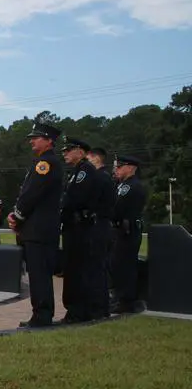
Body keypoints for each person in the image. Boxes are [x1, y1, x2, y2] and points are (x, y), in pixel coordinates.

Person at [7, 122, 64, 328]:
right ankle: (40, 314)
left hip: (39, 228)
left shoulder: (46, 164)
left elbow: (32, 194)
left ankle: (42, 317)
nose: (32, 140)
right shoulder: (42, 162)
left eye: (37, 137)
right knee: (38, 275)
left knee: (40, 275)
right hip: (38, 228)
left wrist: (17, 216)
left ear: (49, 140)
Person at [60, 137, 108, 323]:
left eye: (68, 149)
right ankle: (76, 311)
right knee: (73, 269)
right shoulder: (77, 171)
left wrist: (61, 206)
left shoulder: (85, 171)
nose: (64, 153)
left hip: (80, 227)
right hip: (74, 226)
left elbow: (74, 199)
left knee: (77, 270)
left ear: (80, 151)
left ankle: (78, 312)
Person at [110, 155, 147, 314]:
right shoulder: (122, 185)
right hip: (120, 230)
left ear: (131, 168)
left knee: (126, 266)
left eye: (120, 167)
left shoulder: (132, 186)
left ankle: (126, 300)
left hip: (128, 230)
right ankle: (119, 297)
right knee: (117, 265)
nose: (116, 170)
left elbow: (118, 207)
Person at [87, 147, 117, 307]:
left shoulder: (100, 177)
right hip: (103, 224)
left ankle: (99, 302)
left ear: (96, 158)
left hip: (99, 223)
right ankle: (101, 301)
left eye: (89, 158)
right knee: (100, 264)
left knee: (98, 264)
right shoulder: (105, 177)